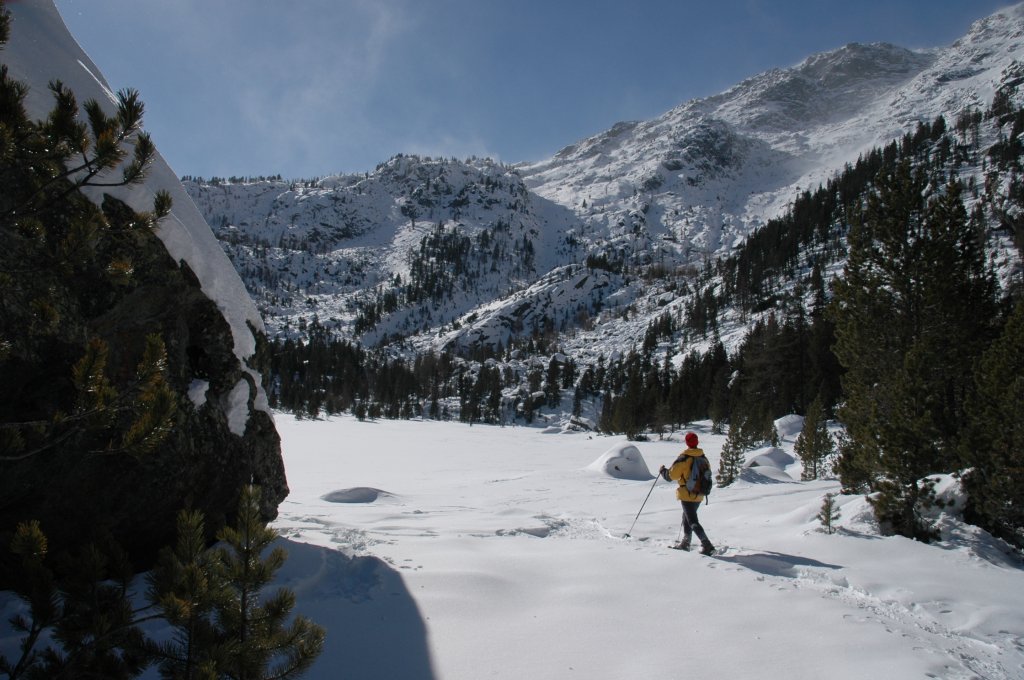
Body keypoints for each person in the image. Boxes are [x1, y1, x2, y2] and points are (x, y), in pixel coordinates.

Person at [659, 431, 715, 555]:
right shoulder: (703, 458)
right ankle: (686, 542)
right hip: (699, 493)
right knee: (687, 517)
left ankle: (707, 544)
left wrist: (662, 471)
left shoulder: (684, 458)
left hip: (687, 493)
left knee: (692, 520)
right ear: (697, 443)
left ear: (687, 443)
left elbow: (671, 476)